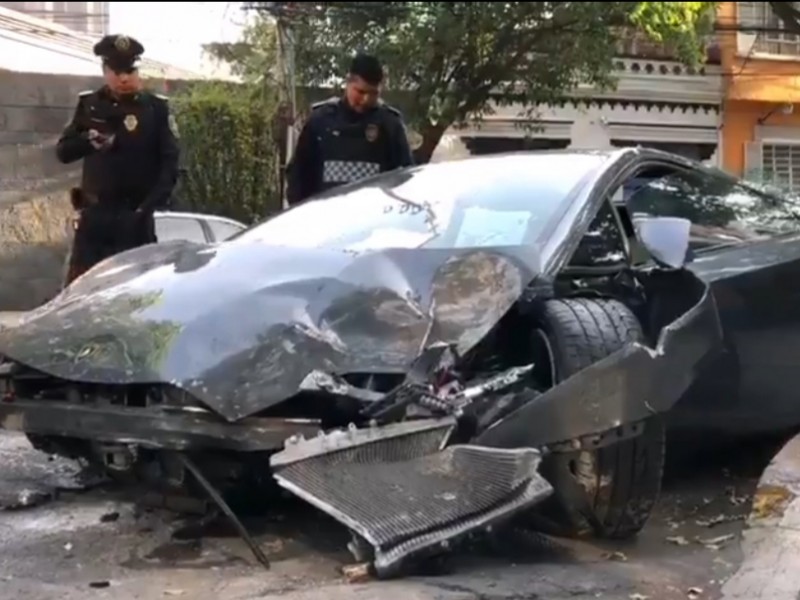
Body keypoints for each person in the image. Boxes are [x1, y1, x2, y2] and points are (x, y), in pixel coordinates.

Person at [56, 33, 180, 285]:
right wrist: (88, 141)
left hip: (135, 219)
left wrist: (145, 208)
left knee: (139, 293)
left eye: (130, 71)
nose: (124, 78)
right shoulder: (89, 105)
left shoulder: (155, 109)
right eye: (117, 71)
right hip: (95, 220)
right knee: (83, 292)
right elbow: (63, 153)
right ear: (105, 71)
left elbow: (170, 164)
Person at [285, 53, 414, 206]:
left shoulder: (390, 124)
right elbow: (298, 176)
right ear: (348, 83)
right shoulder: (321, 120)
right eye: (360, 92)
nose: (365, 100)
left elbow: (405, 179)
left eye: (373, 94)